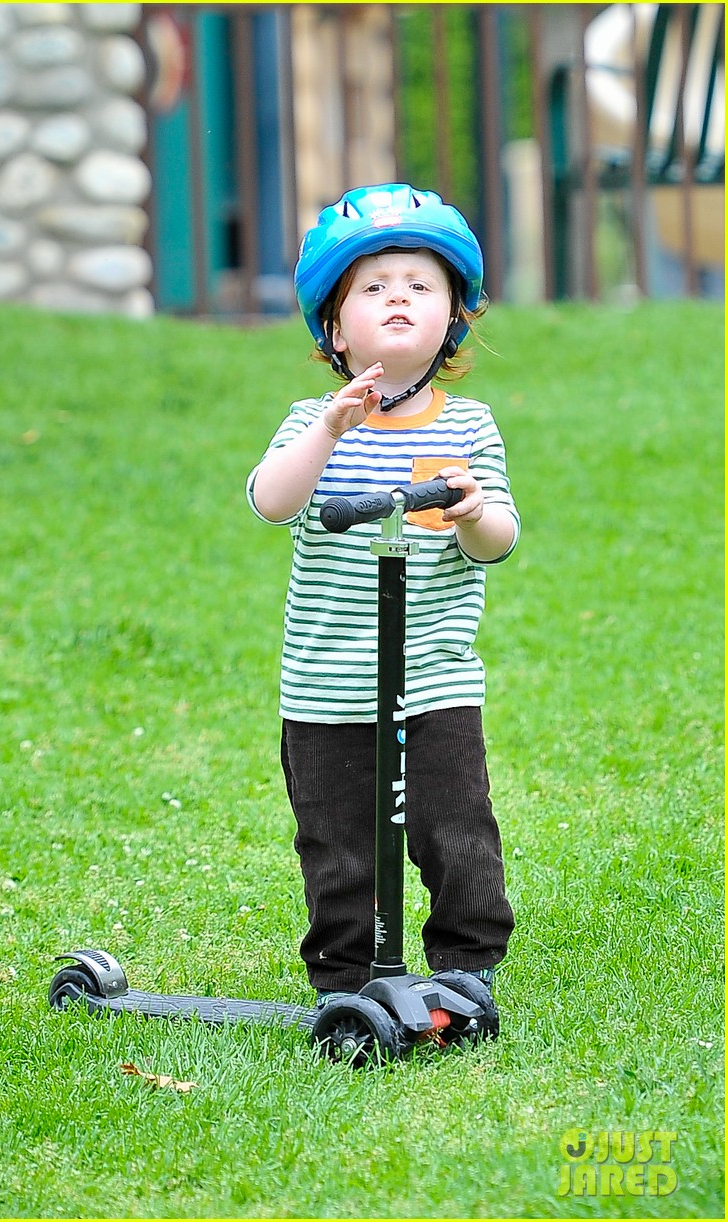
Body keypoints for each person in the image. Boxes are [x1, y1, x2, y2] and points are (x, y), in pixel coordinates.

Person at [246, 184, 519, 1022]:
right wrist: (329, 428)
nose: (397, 296)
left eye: (418, 285)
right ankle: (344, 976)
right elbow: (271, 500)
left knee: (455, 823)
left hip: (433, 677)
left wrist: (474, 513)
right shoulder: (310, 421)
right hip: (327, 682)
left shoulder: (467, 425)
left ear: (452, 322)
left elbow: (500, 538)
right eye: (372, 287)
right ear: (334, 330)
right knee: (336, 841)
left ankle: (466, 964)